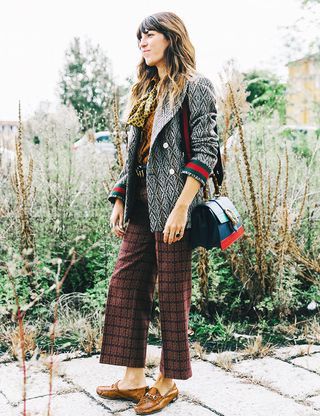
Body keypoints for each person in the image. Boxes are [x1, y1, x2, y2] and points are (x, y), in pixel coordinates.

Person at [96, 11, 219, 415]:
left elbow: (206, 151)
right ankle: (133, 378)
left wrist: (183, 207)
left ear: (171, 37)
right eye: (139, 38)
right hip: (141, 204)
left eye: (149, 36)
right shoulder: (145, 88)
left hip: (175, 205)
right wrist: (119, 196)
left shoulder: (195, 87)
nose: (142, 44)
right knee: (125, 284)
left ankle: (166, 382)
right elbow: (134, 154)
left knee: (171, 291)